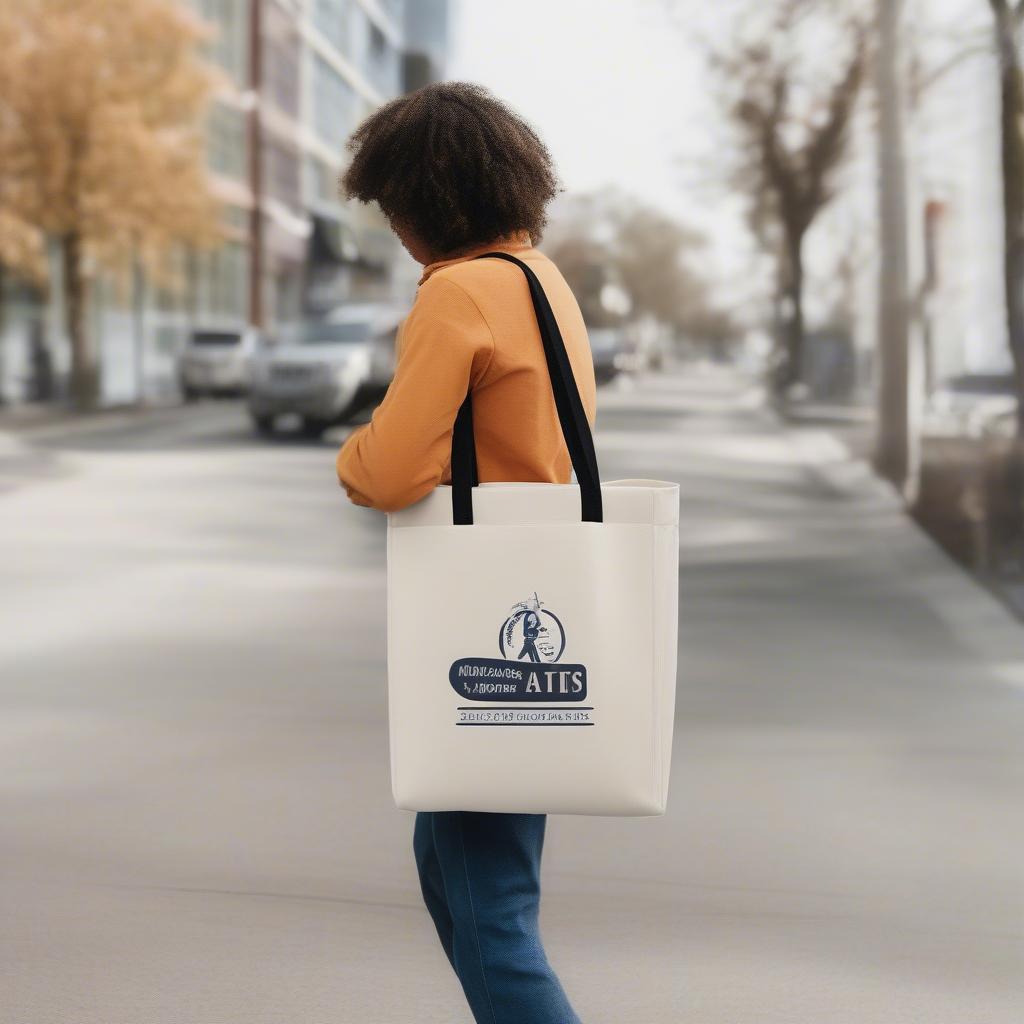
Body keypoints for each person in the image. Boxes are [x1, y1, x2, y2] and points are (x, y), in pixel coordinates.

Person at [335, 81, 595, 1024]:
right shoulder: (540, 278)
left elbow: (392, 468)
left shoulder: (459, 292)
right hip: (537, 594)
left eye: (396, 205)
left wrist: (353, 453)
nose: (394, 228)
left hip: (486, 621)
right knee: (454, 873)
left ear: (430, 198)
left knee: (489, 909)